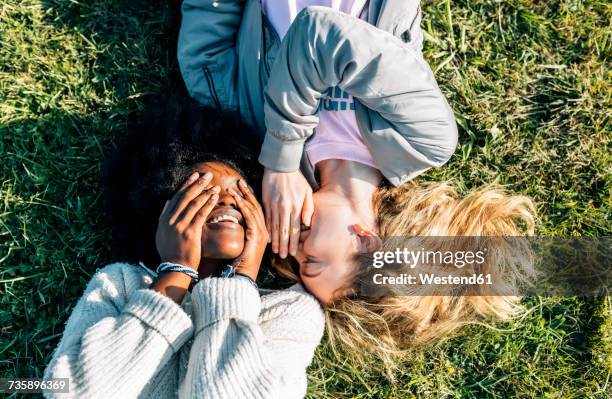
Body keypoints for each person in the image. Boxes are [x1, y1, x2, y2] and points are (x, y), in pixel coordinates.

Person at [43, 97, 325, 399]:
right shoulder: (119, 285)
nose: (228, 199)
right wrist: (176, 273)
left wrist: (240, 284)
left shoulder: (289, 314)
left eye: (242, 191)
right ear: (160, 212)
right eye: (202, 191)